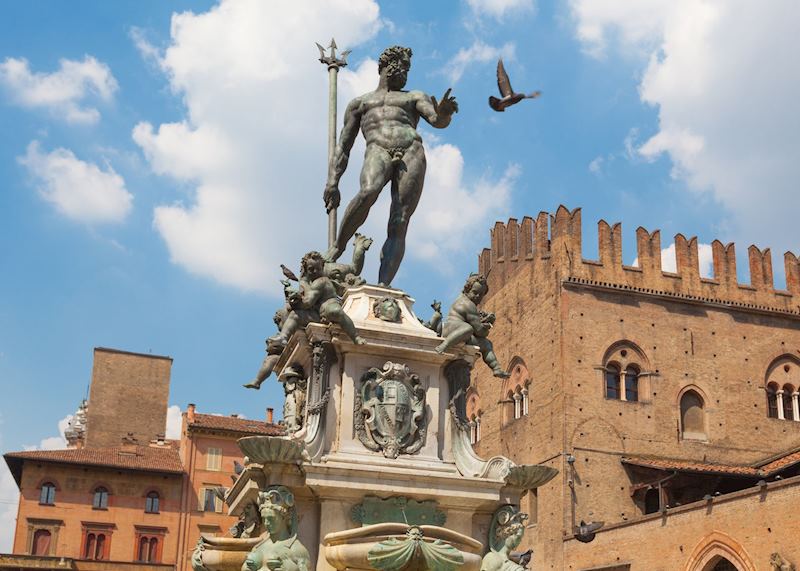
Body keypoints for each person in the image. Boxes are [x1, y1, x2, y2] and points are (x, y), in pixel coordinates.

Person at [323, 45, 458, 286]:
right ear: (387, 66)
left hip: (411, 151)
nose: (406, 72)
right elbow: (343, 146)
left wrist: (444, 114)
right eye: (403, 66)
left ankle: (384, 286)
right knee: (368, 192)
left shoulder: (413, 97)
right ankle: (337, 248)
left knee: (400, 218)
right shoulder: (360, 103)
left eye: (408, 68)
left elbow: (436, 120)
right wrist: (333, 182)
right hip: (377, 149)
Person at [435, 274, 510, 378]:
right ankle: (443, 346)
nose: (478, 296)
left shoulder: (461, 298)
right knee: (468, 329)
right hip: (451, 331)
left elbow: (474, 322)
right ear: (467, 290)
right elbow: (479, 331)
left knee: (486, 344)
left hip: (457, 332)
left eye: (481, 294)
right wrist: (488, 325)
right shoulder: (468, 305)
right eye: (475, 292)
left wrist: (483, 320)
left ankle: (496, 368)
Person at [242, 486, 310, 571]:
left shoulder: (296, 549)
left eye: (271, 518)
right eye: (264, 519)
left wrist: (288, 568)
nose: (266, 523)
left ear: (285, 517)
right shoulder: (258, 547)